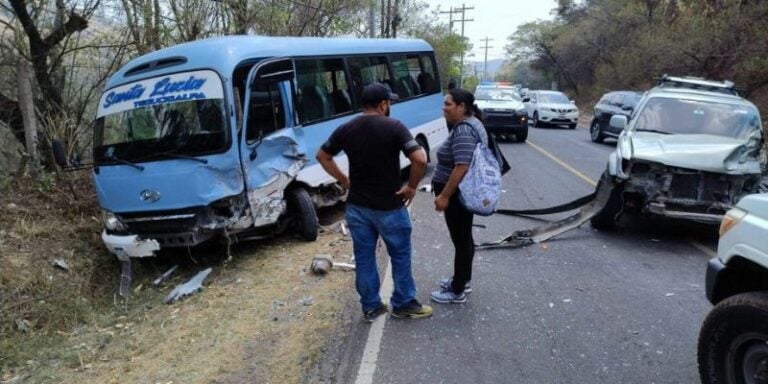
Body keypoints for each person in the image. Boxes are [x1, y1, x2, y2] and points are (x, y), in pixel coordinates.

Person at [316, 83, 433, 322]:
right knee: (399, 255)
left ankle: (371, 307)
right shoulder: (394, 127)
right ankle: (403, 303)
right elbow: (420, 159)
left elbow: (322, 156)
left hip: (357, 207)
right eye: (389, 102)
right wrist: (411, 186)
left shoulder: (346, 128)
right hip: (389, 207)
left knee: (364, 256)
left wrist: (344, 180)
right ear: (383, 104)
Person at [430, 88, 488, 304]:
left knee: (461, 240)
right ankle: (463, 279)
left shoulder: (464, 129)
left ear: (461, 107)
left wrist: (444, 196)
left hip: (457, 194)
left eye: (448, 104)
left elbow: (461, 167)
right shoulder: (473, 123)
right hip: (462, 193)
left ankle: (457, 291)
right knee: (464, 238)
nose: (443, 108)